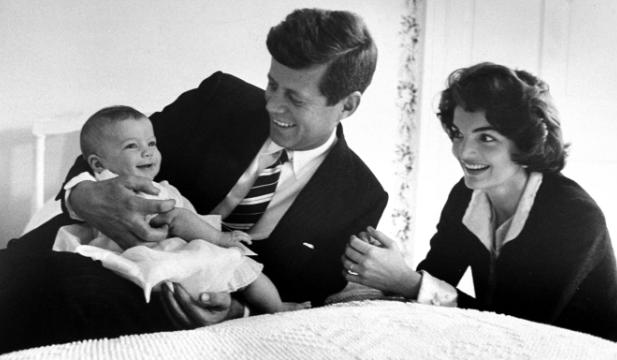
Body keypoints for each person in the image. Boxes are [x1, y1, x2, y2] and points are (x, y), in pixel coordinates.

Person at [0, 8, 387, 353]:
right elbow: (103, 154)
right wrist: (84, 196)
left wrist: (238, 310)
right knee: (23, 273)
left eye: (294, 98)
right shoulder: (219, 100)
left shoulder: (359, 197)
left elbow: (307, 301)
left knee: (63, 288)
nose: (272, 104)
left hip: (162, 294)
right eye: (271, 84)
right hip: (88, 248)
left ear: (347, 104)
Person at [342, 62, 617, 347]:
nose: (464, 151)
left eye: (486, 138)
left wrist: (408, 282)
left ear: (525, 144)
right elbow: (438, 278)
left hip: (607, 348)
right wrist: (390, 267)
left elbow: (518, 324)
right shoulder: (466, 195)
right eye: (458, 134)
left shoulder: (573, 216)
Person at [52, 105, 307, 314]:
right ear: (98, 164)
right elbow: (177, 219)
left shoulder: (163, 187)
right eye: (131, 146)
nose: (147, 152)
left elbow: (188, 217)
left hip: (159, 261)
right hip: (150, 260)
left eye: (151, 143)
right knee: (238, 263)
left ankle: (270, 308)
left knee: (236, 268)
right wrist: (220, 238)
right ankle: (275, 307)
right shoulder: (118, 191)